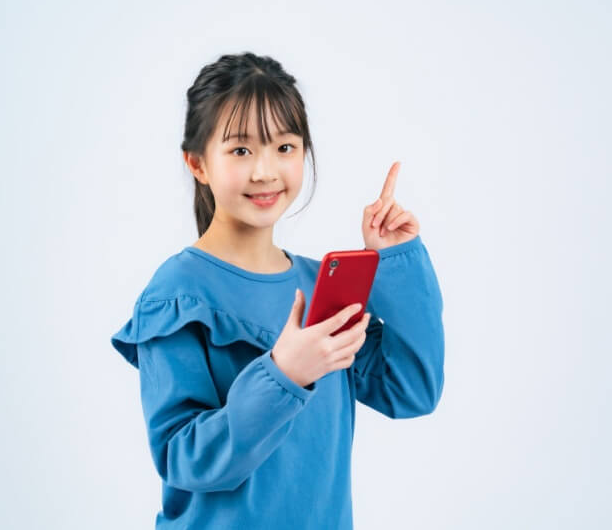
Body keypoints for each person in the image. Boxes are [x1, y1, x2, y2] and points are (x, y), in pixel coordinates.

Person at [109, 52, 445, 529]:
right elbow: (183, 458)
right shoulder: (178, 293)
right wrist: (283, 375)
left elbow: (411, 390)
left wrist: (398, 261)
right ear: (197, 163)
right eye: (241, 150)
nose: (266, 171)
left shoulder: (320, 285)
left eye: (285, 148)